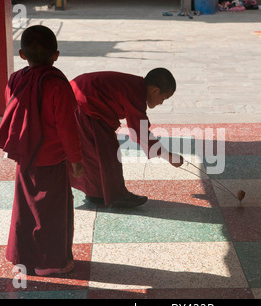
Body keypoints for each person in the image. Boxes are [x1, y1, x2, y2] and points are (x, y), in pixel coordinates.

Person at [0, 25, 83, 276]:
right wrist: (76, 160)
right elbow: (67, 127)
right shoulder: (58, 85)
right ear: (56, 54)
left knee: (26, 208)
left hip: (25, 155)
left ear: (21, 54)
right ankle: (49, 263)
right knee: (50, 211)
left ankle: (24, 258)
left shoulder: (15, 78)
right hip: (51, 158)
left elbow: (13, 110)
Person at [69, 68, 184, 208]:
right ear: (155, 90)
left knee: (99, 153)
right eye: (164, 98)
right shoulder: (135, 92)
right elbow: (140, 132)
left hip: (84, 100)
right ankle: (111, 196)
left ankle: (99, 194)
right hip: (83, 104)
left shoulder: (135, 86)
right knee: (102, 154)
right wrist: (168, 155)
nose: (161, 103)